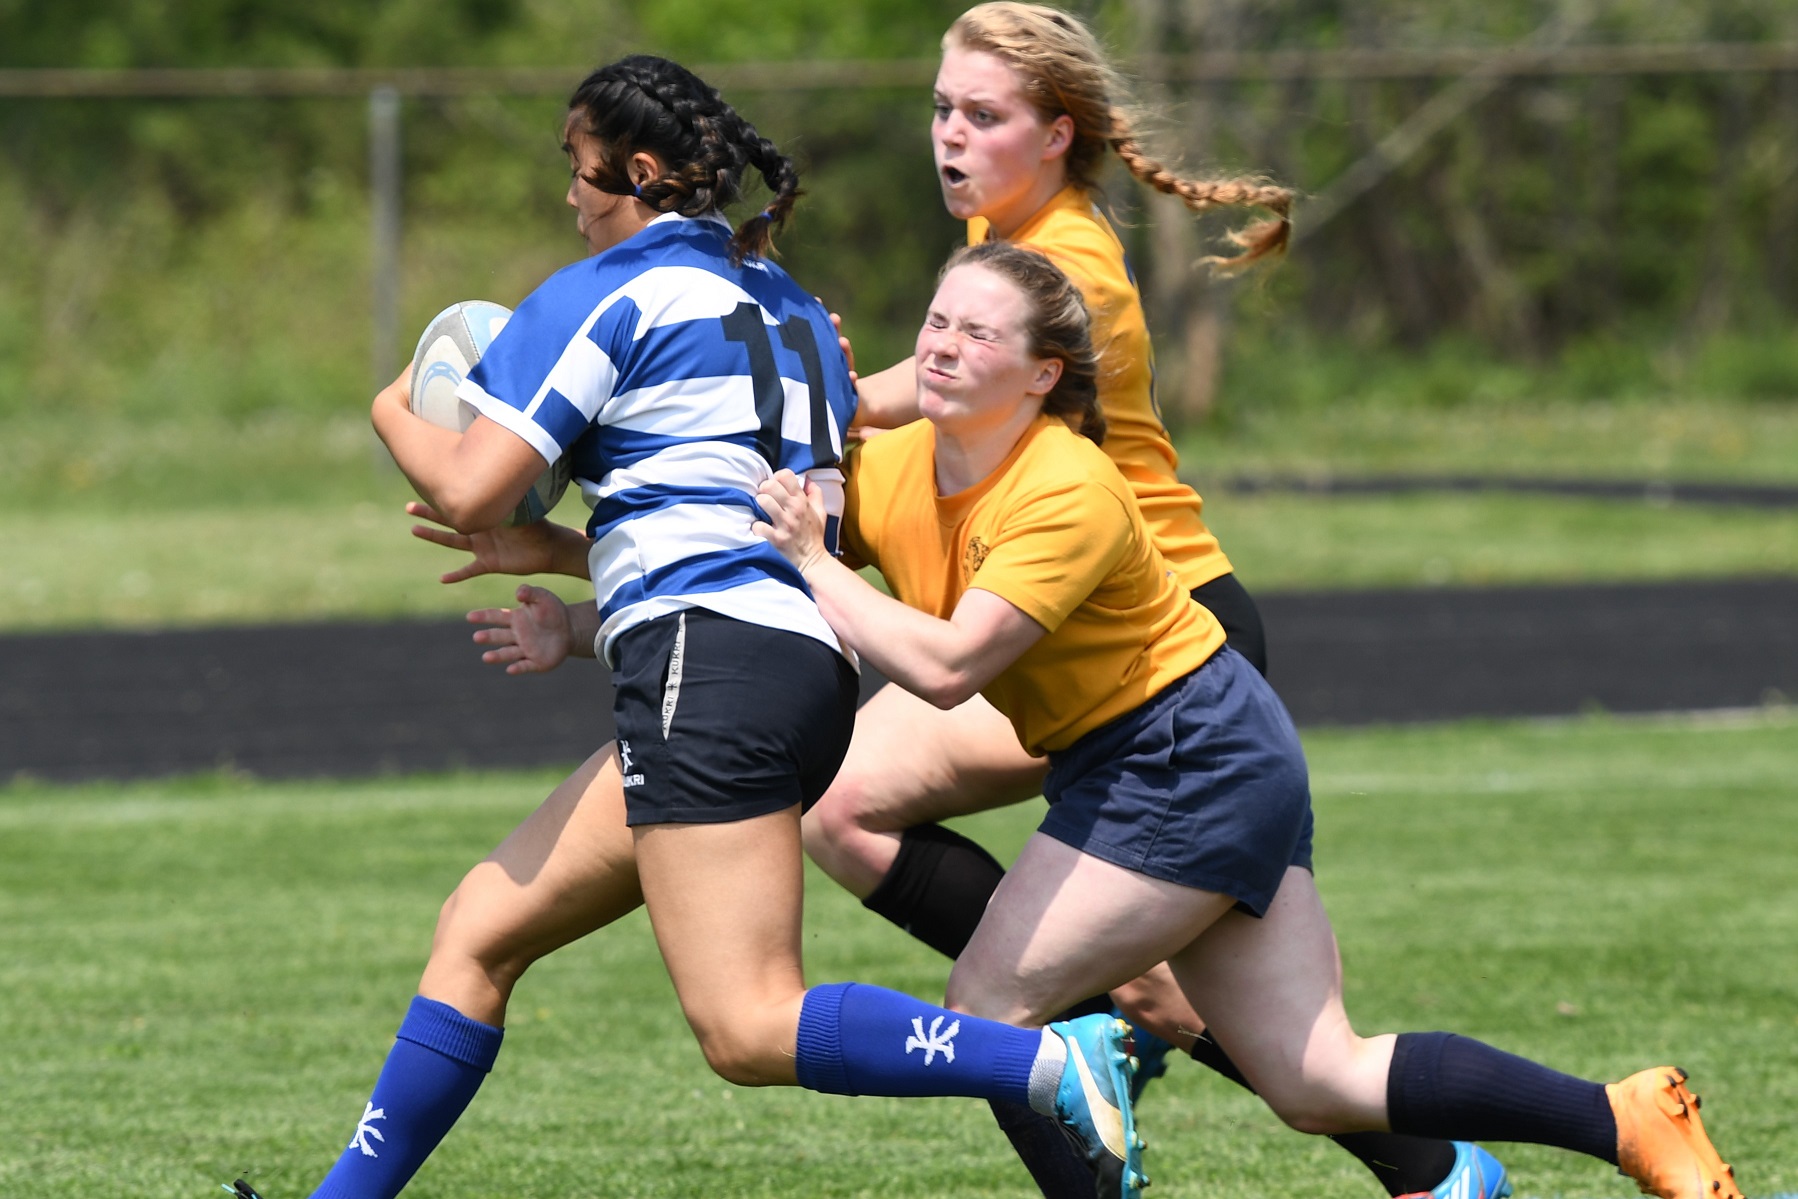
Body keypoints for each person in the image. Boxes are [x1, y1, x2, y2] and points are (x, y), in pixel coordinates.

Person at [231, 54, 1148, 1199]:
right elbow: (751, 518)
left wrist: (389, 401)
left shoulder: (609, 290)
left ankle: (1046, 1056)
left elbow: (471, 488)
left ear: (642, 169)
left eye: (579, 170)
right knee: (480, 926)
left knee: (748, 1025)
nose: (570, 197)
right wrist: (579, 565)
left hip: (707, 673)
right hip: (797, 668)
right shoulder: (798, 309)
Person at [751, 237, 1747, 1199]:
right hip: (1194, 750)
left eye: (977, 332)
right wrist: (594, 579)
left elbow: (947, 664)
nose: (939, 344)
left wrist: (815, 559)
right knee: (1319, 1078)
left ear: (1042, 373)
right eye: (934, 319)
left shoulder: (1064, 485)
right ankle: (1622, 1118)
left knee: (987, 1013)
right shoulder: (895, 470)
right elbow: (739, 531)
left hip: (1183, 758)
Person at [800, 5, 1511, 1197]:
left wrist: (812, 388)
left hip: (1165, 633)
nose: (949, 136)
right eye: (940, 107)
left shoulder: (1065, 265)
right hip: (1079, 622)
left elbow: (916, 397)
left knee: (880, 832)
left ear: (1054, 131)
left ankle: (1088, 1057)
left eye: (982, 114)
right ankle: (1419, 1164)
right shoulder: (1002, 218)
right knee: (1111, 966)